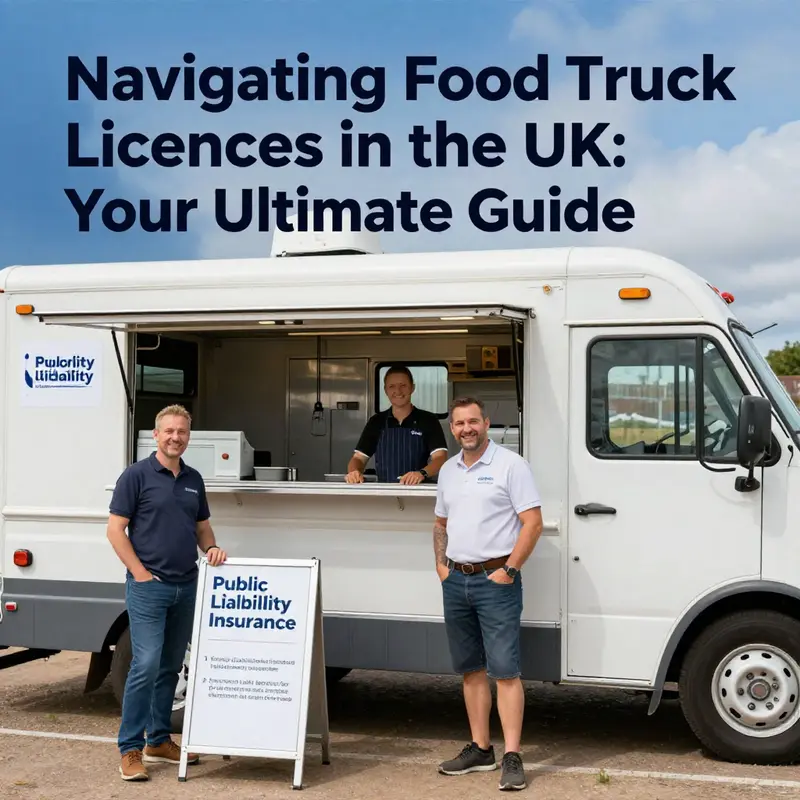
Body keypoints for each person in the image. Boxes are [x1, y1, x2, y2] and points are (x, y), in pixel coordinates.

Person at [106, 404, 228, 782]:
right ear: (156, 435)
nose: (176, 437)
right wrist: (140, 574)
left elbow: (201, 527)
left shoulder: (193, 479)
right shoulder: (136, 476)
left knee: (171, 667)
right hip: (149, 588)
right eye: (169, 431)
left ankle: (158, 740)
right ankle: (130, 748)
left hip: (186, 586)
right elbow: (115, 530)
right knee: (145, 665)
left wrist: (211, 548)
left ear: (188, 437)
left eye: (182, 432)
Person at [433, 397, 543, 791]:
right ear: (453, 428)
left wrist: (509, 570)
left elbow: (533, 523)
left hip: (496, 581)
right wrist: (441, 567)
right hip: (456, 580)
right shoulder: (448, 471)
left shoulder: (511, 465)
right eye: (460, 423)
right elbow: (440, 523)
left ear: (486, 423)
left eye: (473, 421)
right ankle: (481, 749)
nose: (467, 428)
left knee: (505, 671)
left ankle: (512, 756)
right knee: (470, 669)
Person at [346, 365, 449, 484]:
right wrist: (354, 472)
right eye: (392, 386)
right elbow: (359, 458)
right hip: (384, 491)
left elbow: (440, 457)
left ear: (412, 388)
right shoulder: (376, 421)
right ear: (385, 390)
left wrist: (421, 473)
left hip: (418, 489)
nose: (398, 391)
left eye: (403, 385)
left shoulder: (428, 420)